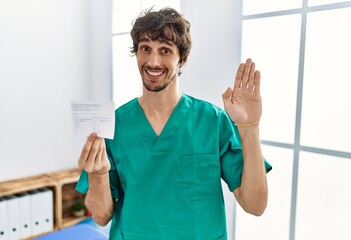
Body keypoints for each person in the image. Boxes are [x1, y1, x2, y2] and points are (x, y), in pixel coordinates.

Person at [76, 7, 272, 240]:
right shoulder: (115, 125)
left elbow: (255, 205)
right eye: (145, 49)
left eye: (165, 50)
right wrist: (98, 174)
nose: (153, 61)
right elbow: (100, 216)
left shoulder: (212, 121)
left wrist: (250, 127)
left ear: (183, 59)